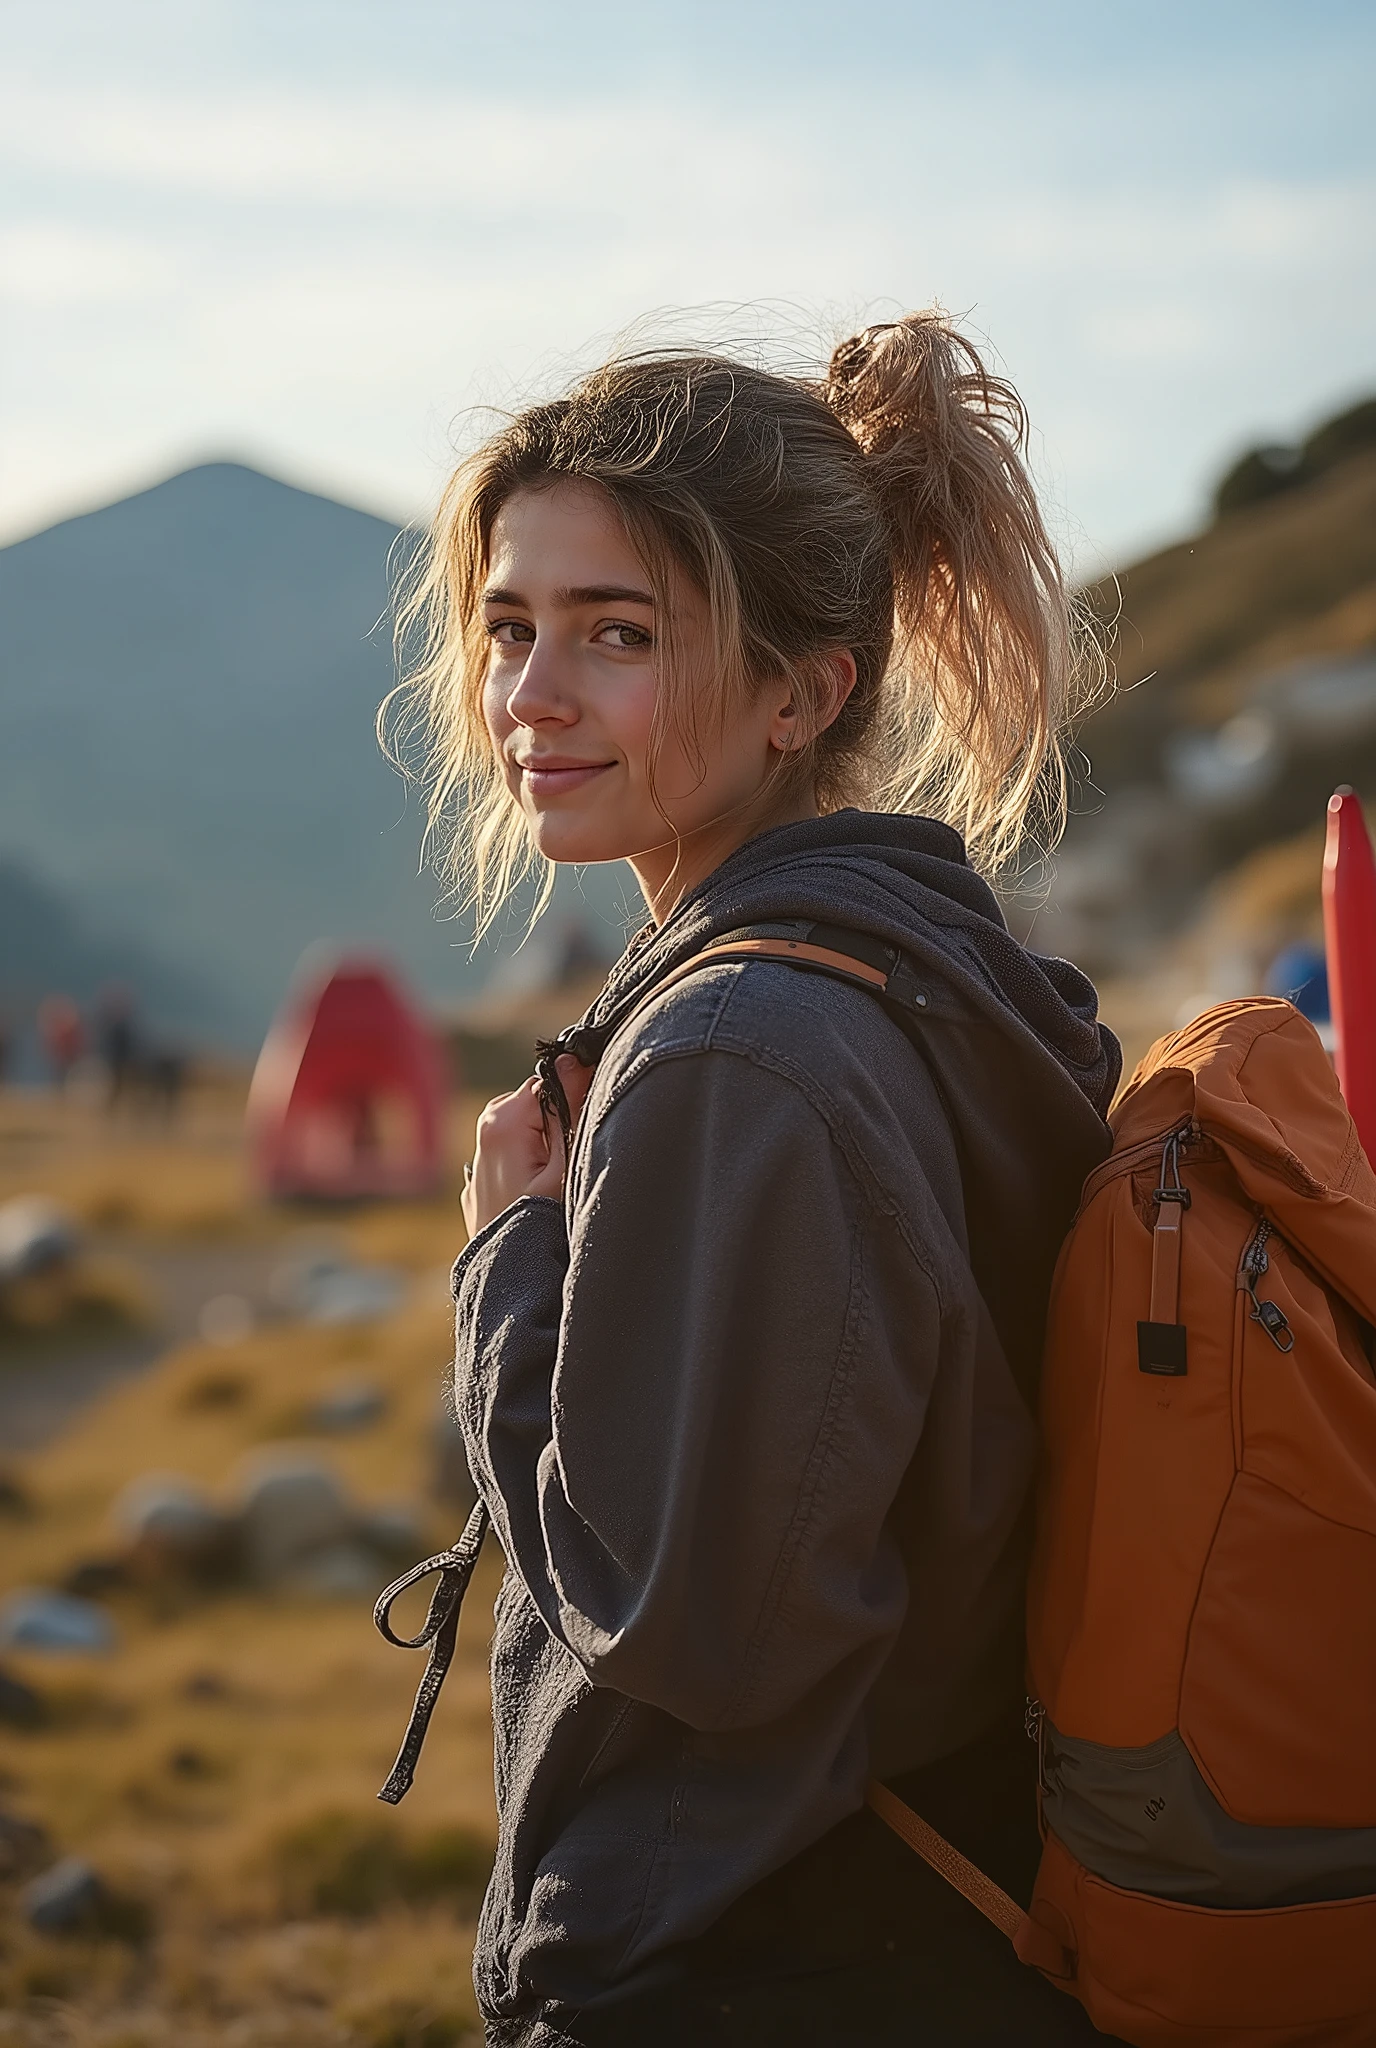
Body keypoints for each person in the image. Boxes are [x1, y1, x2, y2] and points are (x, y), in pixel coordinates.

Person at [394, 311, 1122, 2045]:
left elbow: (691, 1631)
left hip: (746, 1953)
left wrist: (511, 1264)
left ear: (808, 690)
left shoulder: (741, 1053)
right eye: (511, 628)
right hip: (918, 1905)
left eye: (618, 633)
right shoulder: (925, 967)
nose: (531, 696)